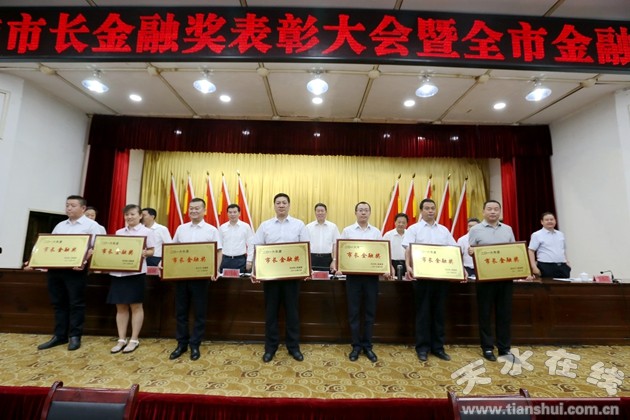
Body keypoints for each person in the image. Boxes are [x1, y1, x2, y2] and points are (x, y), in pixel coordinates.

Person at [33, 195, 102, 351]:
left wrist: (83, 260)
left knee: (76, 303)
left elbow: (96, 248)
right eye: (67, 205)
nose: (69, 208)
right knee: (58, 303)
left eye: (72, 205)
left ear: (83, 208)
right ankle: (59, 335)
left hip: (76, 271)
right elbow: (49, 246)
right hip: (55, 269)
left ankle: (75, 336)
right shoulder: (60, 225)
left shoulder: (92, 226)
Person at [248, 193, 309, 363]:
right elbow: (256, 247)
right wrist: (254, 270)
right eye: (278, 203)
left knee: (292, 313)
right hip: (270, 278)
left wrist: (306, 270)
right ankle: (270, 347)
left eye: (284, 203)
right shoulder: (265, 225)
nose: (281, 205)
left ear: (289, 205)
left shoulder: (299, 225)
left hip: (292, 278)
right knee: (271, 313)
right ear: (274, 205)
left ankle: (293, 347)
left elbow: (305, 249)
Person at [468, 200, 532, 362]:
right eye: (489, 209)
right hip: (485, 279)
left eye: (496, 209)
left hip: (505, 279)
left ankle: (504, 348)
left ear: (500, 212)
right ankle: (487, 347)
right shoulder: (475, 229)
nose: (493, 212)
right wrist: (471, 251)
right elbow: (471, 249)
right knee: (485, 313)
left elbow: (514, 251)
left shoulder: (508, 229)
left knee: (504, 314)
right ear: (483, 212)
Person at [334, 201, 392, 363]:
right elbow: (341, 251)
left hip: (371, 279)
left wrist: (386, 267)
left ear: (369, 213)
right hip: (353, 278)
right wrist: (339, 265)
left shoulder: (376, 232)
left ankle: (367, 346)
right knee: (353, 313)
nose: (363, 213)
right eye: (360, 210)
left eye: (366, 210)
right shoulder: (347, 231)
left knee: (369, 312)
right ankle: (356, 346)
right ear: (355, 213)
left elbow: (382, 253)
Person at [402, 199, 457, 362]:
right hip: (422, 277)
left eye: (433, 208)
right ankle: (422, 348)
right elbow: (408, 249)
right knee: (423, 313)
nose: (430, 211)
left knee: (439, 313)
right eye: (427, 208)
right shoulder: (414, 229)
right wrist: (408, 266)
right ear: (421, 211)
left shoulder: (444, 230)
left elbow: (454, 250)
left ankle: (438, 348)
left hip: (441, 278)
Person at [169, 198, 223, 361]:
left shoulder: (211, 230)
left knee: (199, 312)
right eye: (191, 208)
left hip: (201, 277)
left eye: (197, 208)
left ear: (204, 210)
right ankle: (181, 344)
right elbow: (172, 249)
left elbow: (218, 251)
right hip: (181, 276)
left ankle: (195, 344)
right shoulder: (181, 228)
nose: (193, 211)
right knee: (181, 312)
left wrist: (215, 269)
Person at [108, 204, 155, 354]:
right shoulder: (119, 232)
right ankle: (121, 339)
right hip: (118, 273)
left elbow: (152, 251)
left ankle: (134, 339)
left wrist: (144, 253)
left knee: (136, 306)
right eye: (127, 214)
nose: (129, 217)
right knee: (120, 306)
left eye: (132, 214)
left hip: (136, 273)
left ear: (140, 216)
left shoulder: (147, 232)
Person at [528, 212, 571, 278]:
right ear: (542, 222)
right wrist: (533, 267)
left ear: (555, 221)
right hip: (546, 266)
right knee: (548, 284)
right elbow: (531, 251)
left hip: (562, 266)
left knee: (565, 284)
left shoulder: (560, 234)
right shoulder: (537, 235)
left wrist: (567, 263)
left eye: (551, 219)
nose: (549, 221)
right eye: (547, 220)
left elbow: (563, 249)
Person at [219, 204, 254, 274]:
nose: (232, 214)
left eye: (235, 212)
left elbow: (251, 244)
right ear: (227, 214)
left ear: (239, 213)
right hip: (225, 260)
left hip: (240, 260)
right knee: (225, 280)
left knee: (240, 280)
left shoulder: (245, 226)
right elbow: (219, 246)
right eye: (230, 212)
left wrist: (249, 260)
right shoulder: (222, 227)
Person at [305, 203, 339, 272]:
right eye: (318, 211)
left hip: (327, 259)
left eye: (322, 211)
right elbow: (305, 245)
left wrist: (334, 260)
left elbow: (335, 244)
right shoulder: (308, 227)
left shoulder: (333, 227)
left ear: (326, 212)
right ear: (315, 212)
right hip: (312, 258)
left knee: (328, 278)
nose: (320, 213)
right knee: (312, 278)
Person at [383, 213, 408, 280]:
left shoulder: (410, 235)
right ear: (395, 223)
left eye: (403, 222)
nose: (401, 224)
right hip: (392, 264)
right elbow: (383, 252)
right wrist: (389, 266)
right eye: (399, 222)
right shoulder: (388, 235)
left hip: (407, 265)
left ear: (406, 224)